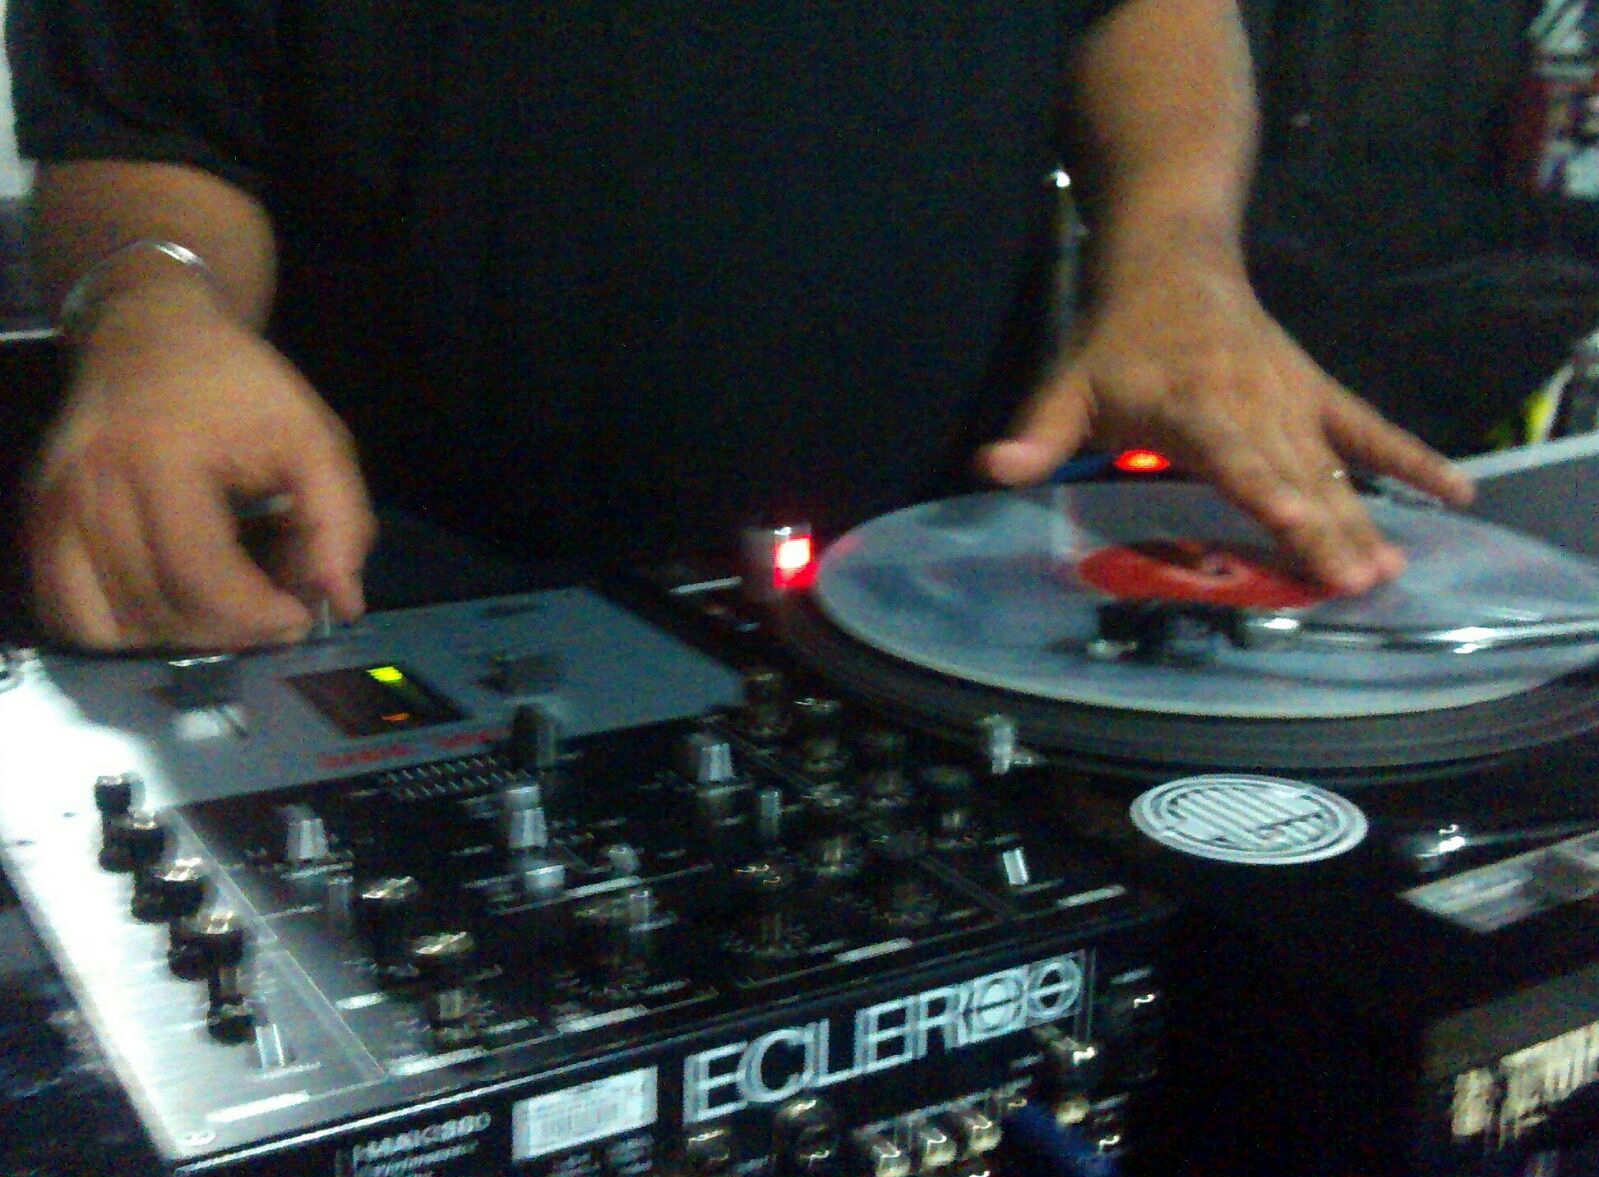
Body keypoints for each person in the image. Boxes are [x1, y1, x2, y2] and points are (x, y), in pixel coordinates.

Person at [8, 0, 1473, 652]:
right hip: (399, 618)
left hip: (939, 610)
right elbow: (141, 123)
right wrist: (152, 308)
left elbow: (1146, 5)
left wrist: (1179, 254)